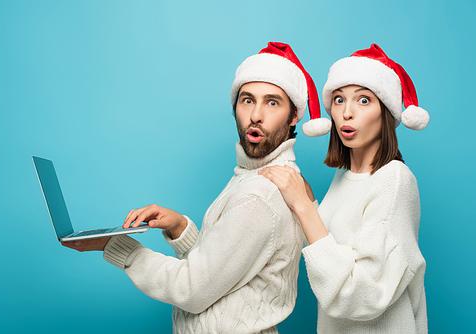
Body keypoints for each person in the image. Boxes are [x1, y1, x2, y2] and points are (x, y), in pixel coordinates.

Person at [62, 42, 326, 334]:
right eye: (247, 100)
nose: (256, 115)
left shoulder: (261, 194)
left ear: (294, 117)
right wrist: (180, 228)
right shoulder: (254, 176)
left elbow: (193, 289)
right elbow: (225, 268)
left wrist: (117, 246)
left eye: (272, 102)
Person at [259, 44, 429, 333]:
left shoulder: (395, 180)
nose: (347, 113)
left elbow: (362, 296)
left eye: (364, 101)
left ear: (386, 112)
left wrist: (303, 207)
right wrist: (310, 204)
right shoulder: (344, 175)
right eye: (339, 100)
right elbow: (331, 255)